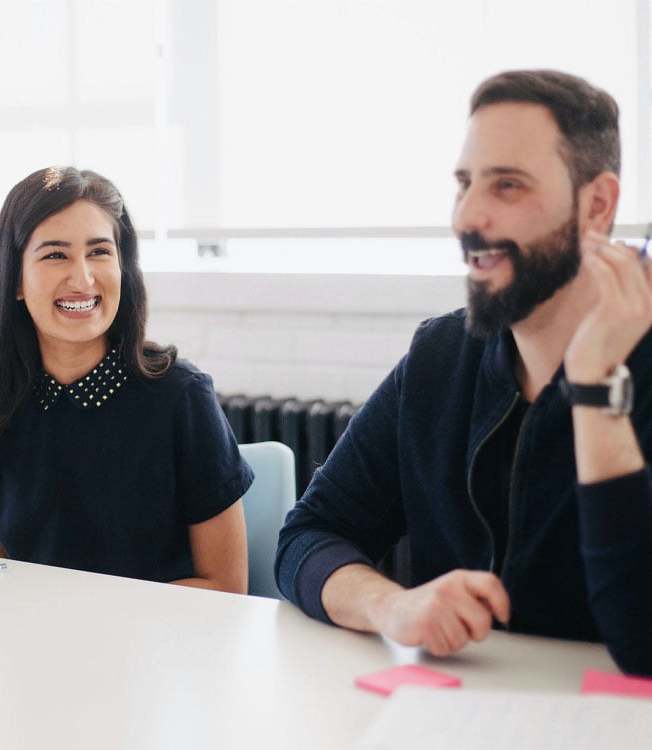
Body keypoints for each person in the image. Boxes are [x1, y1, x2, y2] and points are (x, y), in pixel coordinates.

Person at [275, 70, 652, 676]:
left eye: (508, 185)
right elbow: (308, 537)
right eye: (464, 183)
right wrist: (390, 605)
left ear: (597, 205)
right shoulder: (441, 357)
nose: (467, 216)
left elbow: (644, 647)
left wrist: (596, 386)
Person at [0, 167, 253, 594]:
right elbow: (0, 576)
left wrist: (90, 624)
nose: (83, 278)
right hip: (36, 645)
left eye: (99, 252)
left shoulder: (180, 397)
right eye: (55, 255)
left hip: (166, 647)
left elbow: (226, 586)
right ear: (15, 279)